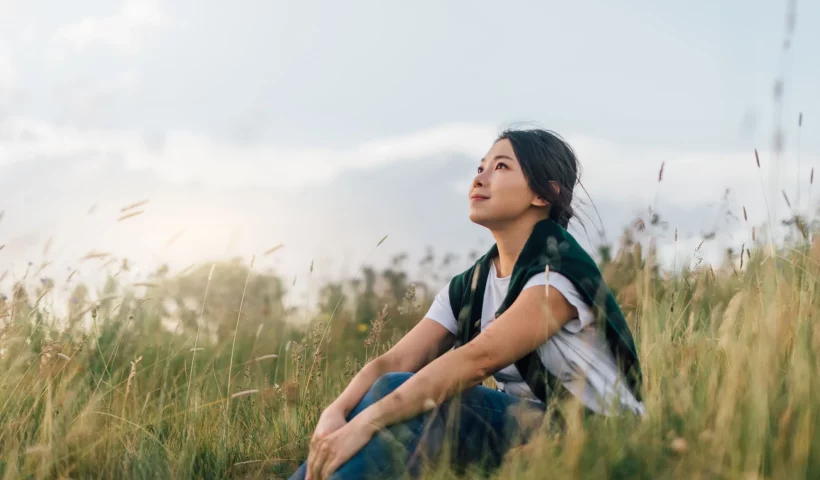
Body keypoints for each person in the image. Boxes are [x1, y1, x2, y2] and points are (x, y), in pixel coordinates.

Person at [289, 128, 645, 480]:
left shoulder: (558, 273)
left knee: (405, 399)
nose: (479, 179)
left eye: (501, 167)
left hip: (601, 434)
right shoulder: (472, 285)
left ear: (543, 193)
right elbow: (394, 361)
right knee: (393, 389)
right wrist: (336, 413)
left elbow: (478, 360)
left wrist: (366, 423)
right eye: (479, 168)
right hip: (533, 424)